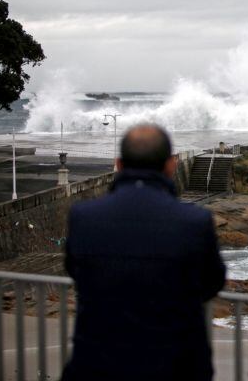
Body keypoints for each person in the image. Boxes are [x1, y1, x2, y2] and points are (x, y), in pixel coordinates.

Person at [62, 124, 226, 381]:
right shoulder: (194, 221)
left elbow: (75, 270)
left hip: (96, 366)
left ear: (118, 164)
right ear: (171, 165)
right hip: (175, 367)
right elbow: (212, 282)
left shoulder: (84, 217)